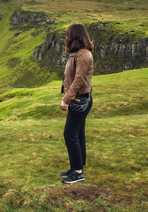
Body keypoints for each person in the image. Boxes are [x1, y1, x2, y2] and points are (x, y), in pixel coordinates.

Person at [60, 24, 94, 184]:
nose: (66, 38)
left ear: (75, 36)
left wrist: (66, 99)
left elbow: (79, 80)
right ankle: (77, 167)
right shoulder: (77, 54)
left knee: (70, 134)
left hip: (79, 100)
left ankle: (78, 172)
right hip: (79, 98)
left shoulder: (83, 55)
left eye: (68, 35)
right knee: (78, 134)